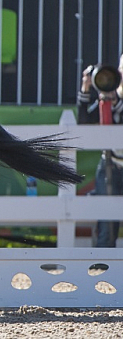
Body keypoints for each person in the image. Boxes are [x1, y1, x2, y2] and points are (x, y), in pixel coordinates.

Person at [77, 53, 123, 247]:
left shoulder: (115, 100)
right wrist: (86, 88)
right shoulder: (110, 96)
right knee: (107, 225)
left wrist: (116, 104)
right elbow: (84, 122)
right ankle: (104, 272)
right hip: (111, 164)